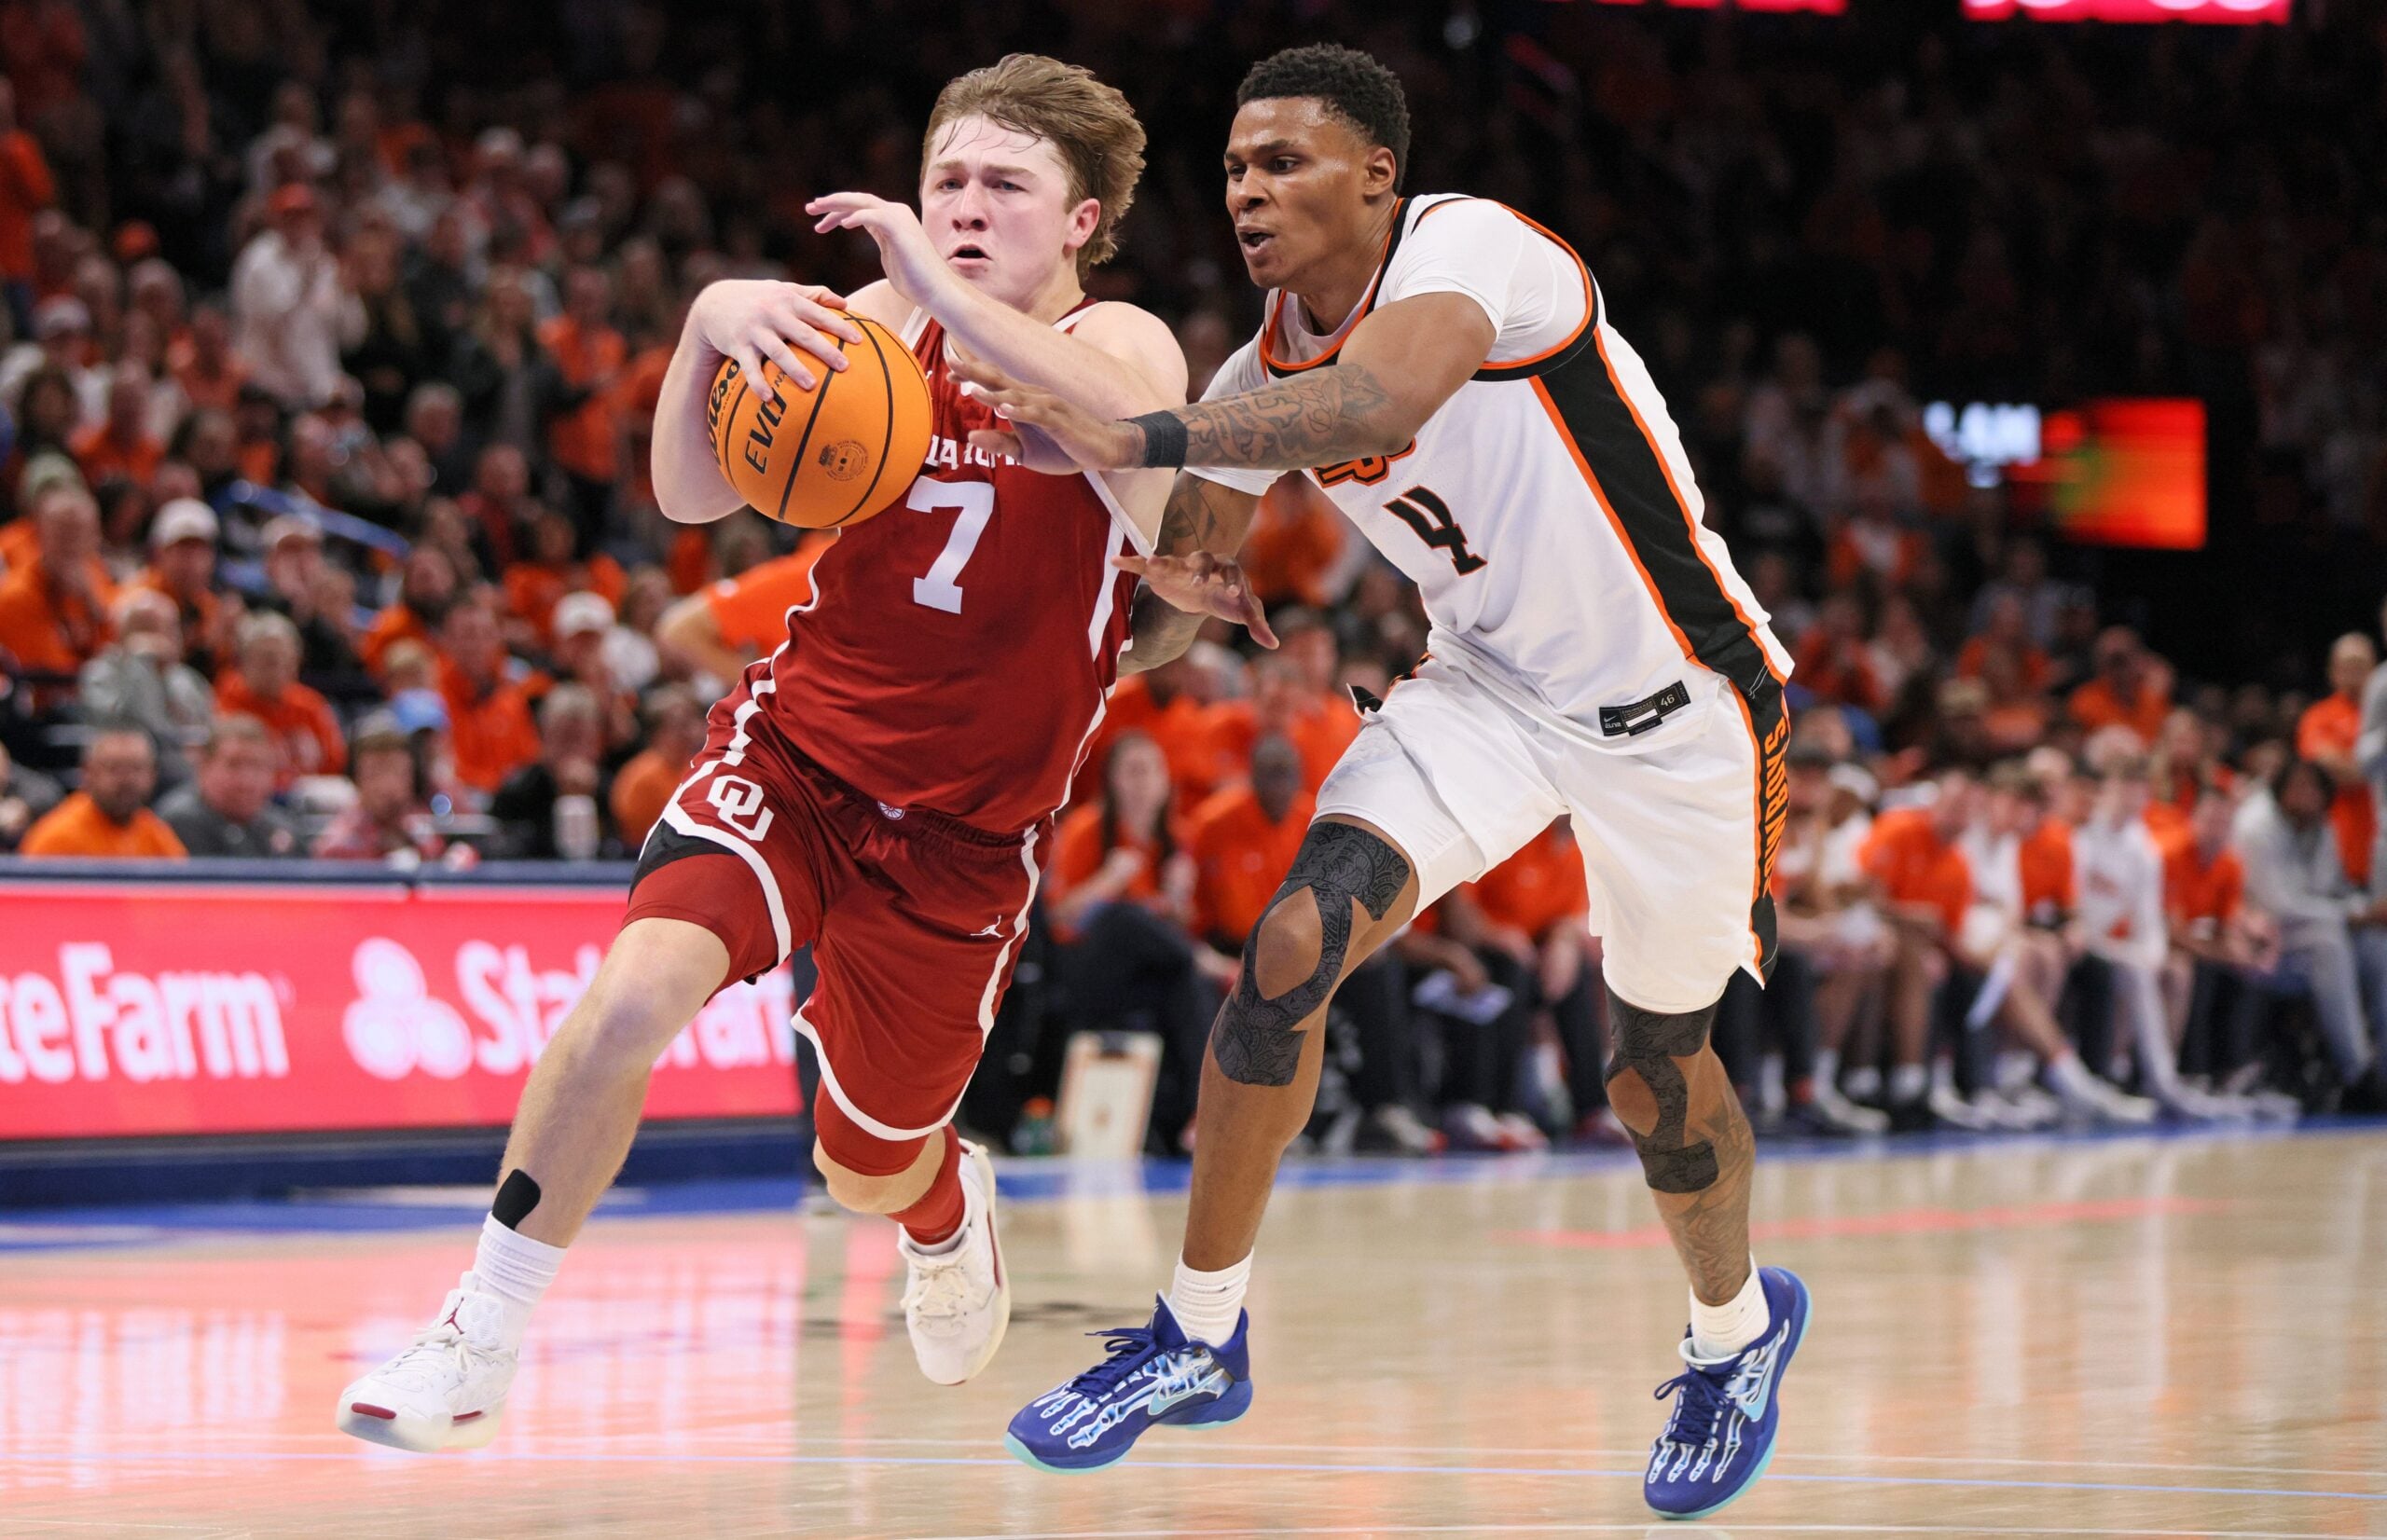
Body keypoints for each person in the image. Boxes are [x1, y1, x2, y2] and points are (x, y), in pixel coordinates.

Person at [970, 45, 1801, 1514]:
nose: (1248, 190)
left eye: (1281, 162)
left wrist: (1136, 434)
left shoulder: (1476, 251)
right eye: (1232, 168)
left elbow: (1370, 405)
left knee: (1651, 1072)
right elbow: (1177, 596)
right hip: (1485, 693)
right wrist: (1139, 587)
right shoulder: (1252, 370)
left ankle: (1735, 1334)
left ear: (1377, 176)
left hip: (1681, 701)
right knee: (1285, 951)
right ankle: (1196, 1339)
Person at [338, 53, 1192, 1452]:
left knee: (862, 1169)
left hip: (968, 832)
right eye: (946, 181)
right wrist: (705, 328)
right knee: (628, 1002)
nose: (965, 206)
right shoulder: (867, 324)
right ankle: (477, 1333)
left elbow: (1120, 438)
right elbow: (687, 493)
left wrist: (932, 277)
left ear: (1084, 221)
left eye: (1005, 186)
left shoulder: (1132, 347)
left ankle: (937, 1204)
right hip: (796, 754)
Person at [19, 728, 186, 859]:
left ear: (153, 774)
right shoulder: (59, 837)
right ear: (88, 773)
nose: (126, 780)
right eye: (114, 768)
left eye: (136, 768)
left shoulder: (155, 833)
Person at [157, 713, 300, 858]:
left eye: (257, 766)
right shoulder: (179, 823)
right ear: (204, 767)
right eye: (234, 765)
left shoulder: (279, 828)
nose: (246, 781)